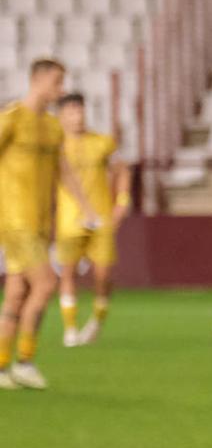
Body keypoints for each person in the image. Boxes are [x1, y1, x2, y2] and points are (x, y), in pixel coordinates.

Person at [0, 59, 96, 390]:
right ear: (37, 80)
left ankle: (2, 368)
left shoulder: (53, 127)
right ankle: (25, 361)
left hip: (41, 223)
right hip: (14, 220)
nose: (62, 89)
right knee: (45, 284)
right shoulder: (11, 118)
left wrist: (85, 206)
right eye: (57, 81)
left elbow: (64, 171)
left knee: (16, 293)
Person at [56, 93, 131, 346]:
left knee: (103, 275)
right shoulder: (56, 146)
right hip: (69, 218)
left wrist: (122, 201)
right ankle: (70, 329)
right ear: (62, 116)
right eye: (72, 112)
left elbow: (122, 171)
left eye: (80, 110)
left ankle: (96, 323)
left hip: (101, 217)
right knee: (68, 272)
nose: (78, 116)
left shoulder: (103, 142)